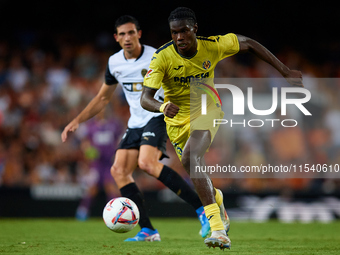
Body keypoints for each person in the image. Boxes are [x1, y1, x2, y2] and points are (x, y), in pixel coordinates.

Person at [141, 7, 304, 250]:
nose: (179, 38)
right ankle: (217, 199)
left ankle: (217, 228)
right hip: (175, 118)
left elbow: (249, 43)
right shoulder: (162, 57)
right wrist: (162, 106)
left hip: (206, 104)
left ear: (195, 28)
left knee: (191, 157)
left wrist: (284, 71)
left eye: (184, 31)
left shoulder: (213, 45)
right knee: (192, 165)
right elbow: (146, 98)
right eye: (174, 33)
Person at [61, 15, 210, 242]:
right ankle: (148, 230)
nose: (127, 38)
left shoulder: (157, 55)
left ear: (139, 34)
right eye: (122, 34)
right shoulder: (114, 63)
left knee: (146, 163)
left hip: (158, 115)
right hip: (135, 122)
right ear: (116, 38)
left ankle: (203, 210)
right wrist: (77, 120)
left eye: (131, 32)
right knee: (118, 171)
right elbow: (102, 98)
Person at [75, 108, 124, 221]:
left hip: (109, 162)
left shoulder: (114, 125)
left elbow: (119, 140)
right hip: (96, 163)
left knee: (111, 187)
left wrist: (118, 153)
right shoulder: (90, 126)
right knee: (92, 188)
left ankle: (115, 213)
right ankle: (82, 212)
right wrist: (88, 151)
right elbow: (85, 143)